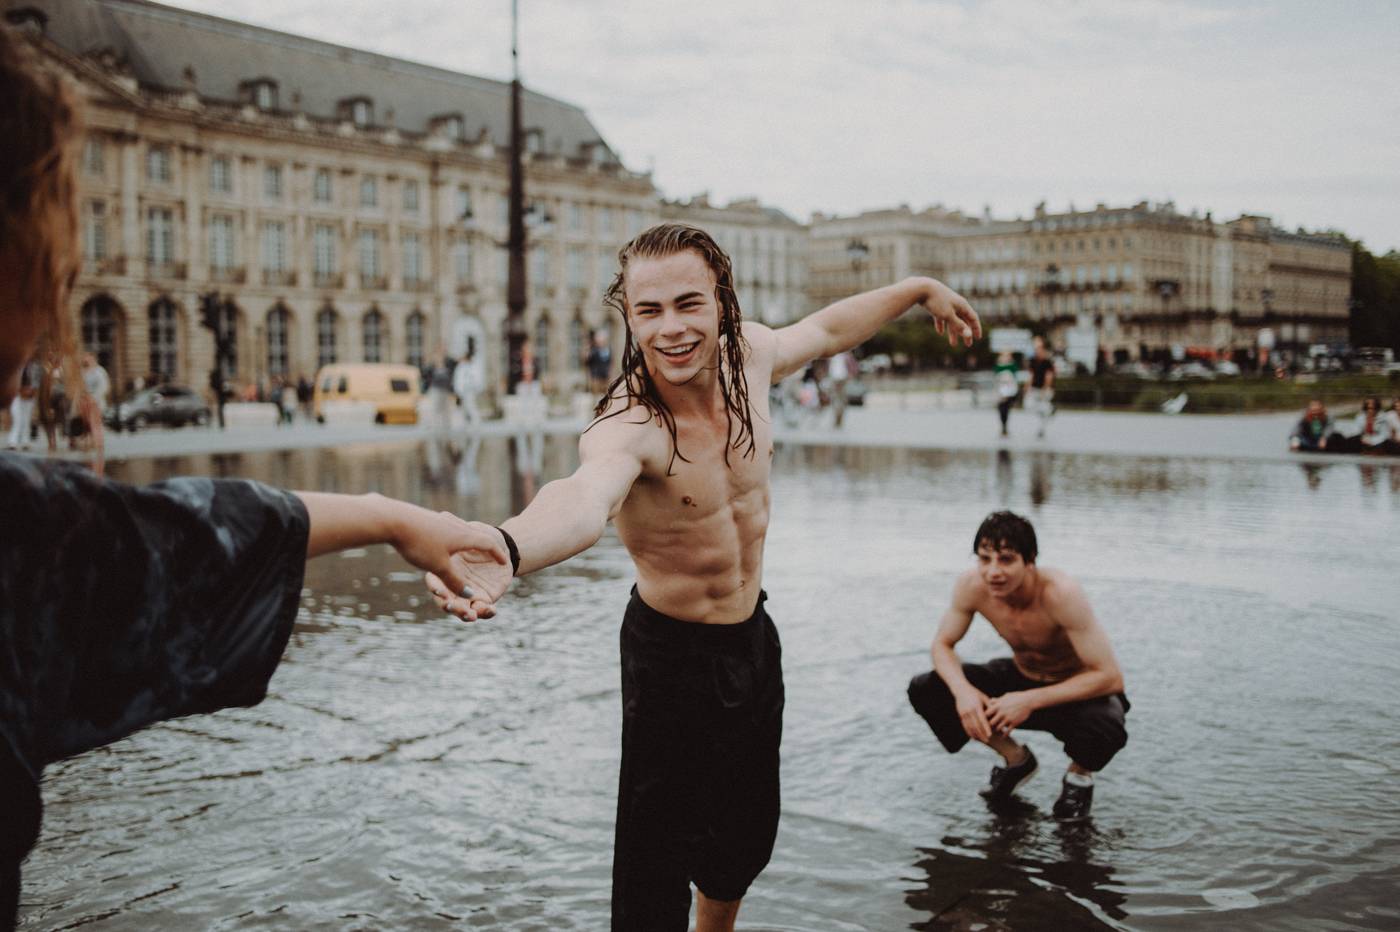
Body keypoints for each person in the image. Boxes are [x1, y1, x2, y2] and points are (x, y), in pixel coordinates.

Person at [0, 25, 509, 927]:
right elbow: (202, 537)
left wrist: (389, 514)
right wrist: (391, 516)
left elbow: (189, 525)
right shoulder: (24, 534)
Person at [426, 223, 980, 932]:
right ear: (627, 315)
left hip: (751, 639)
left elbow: (829, 327)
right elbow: (583, 498)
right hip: (669, 659)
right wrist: (508, 545)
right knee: (654, 863)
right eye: (648, 311)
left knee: (743, 839)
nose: (672, 330)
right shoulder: (628, 423)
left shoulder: (748, 356)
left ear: (722, 299)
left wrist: (917, 289)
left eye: (689, 303)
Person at [907, 511, 1128, 821]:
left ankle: (1078, 777)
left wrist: (1028, 700)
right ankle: (1016, 759)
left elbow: (1110, 677)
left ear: (1030, 560)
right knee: (928, 688)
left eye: (1006, 559)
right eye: (984, 559)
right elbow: (942, 644)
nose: (993, 572)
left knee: (1106, 725)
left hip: (1072, 691)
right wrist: (964, 694)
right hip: (1022, 674)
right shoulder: (972, 586)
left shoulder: (1060, 593)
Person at [5, 356, 39, 449]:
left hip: (29, 396)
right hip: (16, 395)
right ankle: (12, 442)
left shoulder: (35, 367)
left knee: (26, 419)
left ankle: (25, 442)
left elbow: (37, 382)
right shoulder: (15, 366)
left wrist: (32, 391)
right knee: (17, 418)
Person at [1027, 337, 1055, 439]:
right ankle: (1050, 410)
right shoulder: (1033, 360)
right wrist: (1028, 386)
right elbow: (1031, 375)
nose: (1036, 351)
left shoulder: (1047, 361)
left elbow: (1049, 376)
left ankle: (1041, 429)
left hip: (1044, 389)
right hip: (1035, 388)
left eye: (1038, 348)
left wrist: (1045, 388)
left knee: (1043, 408)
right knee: (1031, 405)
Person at [452, 347, 483, 427]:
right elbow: (458, 380)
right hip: (462, 392)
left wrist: (475, 388)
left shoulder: (474, 367)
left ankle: (476, 425)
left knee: (471, 407)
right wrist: (458, 391)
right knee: (463, 410)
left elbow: (477, 379)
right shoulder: (461, 367)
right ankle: (465, 426)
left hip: (470, 391)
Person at [825, 349, 856, 428]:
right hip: (833, 379)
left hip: (843, 379)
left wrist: (850, 375)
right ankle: (836, 417)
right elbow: (828, 367)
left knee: (842, 399)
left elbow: (853, 366)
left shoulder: (847, 355)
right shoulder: (831, 355)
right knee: (834, 399)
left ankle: (840, 419)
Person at [993, 350, 1020, 437]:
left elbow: (1013, 381)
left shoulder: (1012, 367)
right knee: (1001, 410)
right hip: (1000, 393)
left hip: (1008, 392)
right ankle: (1003, 427)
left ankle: (1004, 427)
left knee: (1005, 410)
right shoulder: (998, 367)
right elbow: (996, 380)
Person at [586, 328, 613, 396]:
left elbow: (610, 362)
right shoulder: (593, 350)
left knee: (605, 393)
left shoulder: (608, 349)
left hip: (605, 375)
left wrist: (610, 373)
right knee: (596, 394)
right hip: (595, 375)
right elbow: (587, 361)